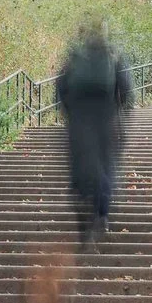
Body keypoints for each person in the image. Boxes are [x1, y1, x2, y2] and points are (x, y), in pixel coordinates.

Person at [55, 20, 133, 249]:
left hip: (79, 124)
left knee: (79, 174)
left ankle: (83, 227)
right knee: (106, 168)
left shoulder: (74, 60)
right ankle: (101, 216)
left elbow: (60, 90)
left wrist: (70, 114)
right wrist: (122, 119)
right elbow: (126, 92)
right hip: (106, 122)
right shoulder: (114, 58)